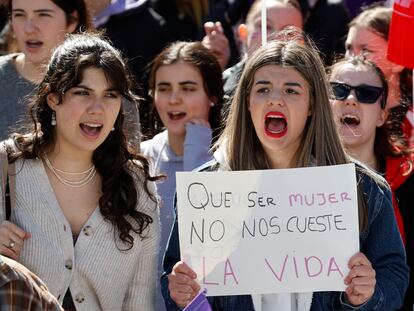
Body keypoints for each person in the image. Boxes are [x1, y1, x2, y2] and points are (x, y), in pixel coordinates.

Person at [161, 39, 409, 310]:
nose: (275, 99)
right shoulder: (205, 192)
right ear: (247, 102)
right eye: (263, 89)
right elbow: (175, 282)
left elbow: (394, 277)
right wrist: (181, 294)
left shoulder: (366, 189)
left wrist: (368, 295)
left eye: (291, 91)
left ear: (312, 105)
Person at [0, 32, 160, 311]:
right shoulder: (6, 166)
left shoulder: (137, 183)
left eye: (110, 95)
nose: (97, 108)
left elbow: (139, 300)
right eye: (82, 93)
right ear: (53, 98)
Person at [141, 40, 223, 311]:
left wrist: (197, 150)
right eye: (164, 89)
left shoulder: (230, 160)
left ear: (212, 96)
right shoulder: (138, 159)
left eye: (188, 88)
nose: (174, 99)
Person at [329, 56, 414, 311]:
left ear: (382, 115)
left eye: (367, 93)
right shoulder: (292, 173)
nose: (351, 99)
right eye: (338, 89)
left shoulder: (410, 180)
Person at [0, 0, 94, 140]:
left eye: (43, 14)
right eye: (19, 15)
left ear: (72, 20)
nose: (29, 28)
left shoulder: (107, 86)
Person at [221, 0, 304, 118]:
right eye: (266, 26)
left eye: (289, 32)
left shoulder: (315, 90)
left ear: (301, 42)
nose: (276, 37)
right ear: (243, 33)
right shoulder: (222, 87)